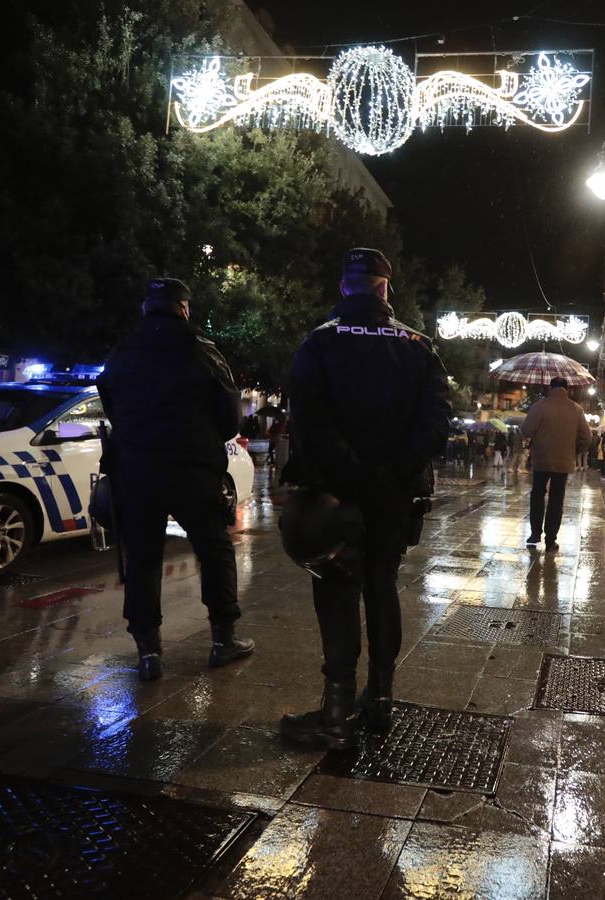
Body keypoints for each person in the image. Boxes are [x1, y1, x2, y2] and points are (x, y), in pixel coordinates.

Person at [281, 248, 451, 749]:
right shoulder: (420, 347)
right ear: (385, 290)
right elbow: (436, 425)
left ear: (343, 288)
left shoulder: (319, 344)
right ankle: (380, 701)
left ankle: (336, 710)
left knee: (335, 589)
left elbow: (309, 423)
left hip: (336, 496)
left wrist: (351, 471)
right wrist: (391, 474)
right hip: (394, 497)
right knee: (382, 586)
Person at [98, 277, 254, 681]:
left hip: (136, 471)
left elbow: (111, 404)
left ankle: (149, 651)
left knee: (143, 559)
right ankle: (223, 640)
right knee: (214, 551)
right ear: (184, 309)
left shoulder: (122, 352)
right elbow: (230, 420)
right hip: (193, 469)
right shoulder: (203, 351)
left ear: (146, 309)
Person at [520, 376, 591, 551]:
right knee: (557, 499)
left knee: (537, 494)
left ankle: (535, 533)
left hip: (541, 458)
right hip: (564, 461)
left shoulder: (539, 407)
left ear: (550, 388)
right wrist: (575, 451)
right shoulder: (576, 409)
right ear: (567, 389)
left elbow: (526, 430)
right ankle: (551, 539)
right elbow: (586, 437)